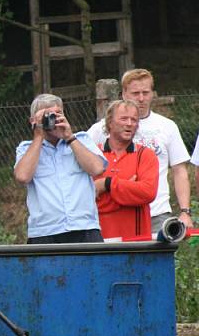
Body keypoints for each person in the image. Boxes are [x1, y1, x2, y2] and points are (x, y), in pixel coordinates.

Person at [87, 68, 192, 233]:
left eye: (146, 92)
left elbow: (179, 171)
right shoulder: (102, 128)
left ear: (152, 93)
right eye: (136, 93)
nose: (141, 98)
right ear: (124, 94)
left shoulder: (167, 126)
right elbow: (82, 160)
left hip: (158, 212)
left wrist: (185, 212)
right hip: (117, 212)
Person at [14, 93, 107, 244]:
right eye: (46, 115)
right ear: (32, 120)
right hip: (44, 231)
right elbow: (23, 176)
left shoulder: (81, 140)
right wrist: (38, 136)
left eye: (57, 114)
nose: (52, 119)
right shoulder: (26, 148)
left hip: (84, 227)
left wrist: (69, 137)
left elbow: (97, 169)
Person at [93, 100, 159, 240]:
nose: (129, 123)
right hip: (99, 238)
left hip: (136, 239)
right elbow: (85, 199)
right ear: (110, 123)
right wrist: (127, 191)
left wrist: (108, 184)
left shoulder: (146, 155)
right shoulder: (92, 154)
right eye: (124, 118)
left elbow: (148, 192)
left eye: (134, 120)